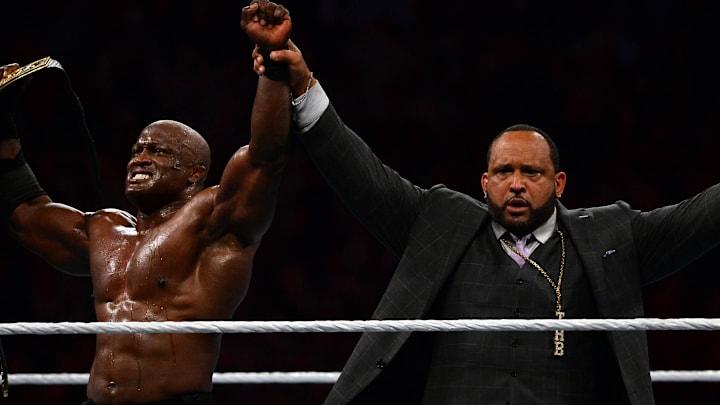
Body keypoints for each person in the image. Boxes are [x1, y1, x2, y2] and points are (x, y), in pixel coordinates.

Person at [250, 4, 720, 405]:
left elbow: (703, 218)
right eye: (504, 172)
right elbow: (359, 174)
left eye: (531, 173)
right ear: (484, 181)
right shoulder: (439, 221)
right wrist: (303, 82)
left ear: (558, 183)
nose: (516, 184)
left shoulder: (610, 236)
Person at [0, 1, 293, 403]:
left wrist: (274, 66)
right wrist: (2, 124)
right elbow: (24, 214)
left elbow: (265, 157)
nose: (140, 158)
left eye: (159, 151)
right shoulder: (104, 230)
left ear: (194, 173)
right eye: (137, 149)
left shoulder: (210, 222)